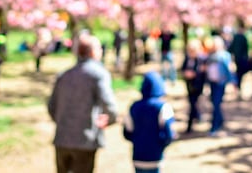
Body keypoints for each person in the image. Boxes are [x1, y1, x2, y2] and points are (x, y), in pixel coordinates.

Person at [48, 33, 119, 173]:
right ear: (93, 52)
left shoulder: (63, 75)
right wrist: (109, 120)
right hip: (85, 140)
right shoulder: (98, 74)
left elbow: (51, 106)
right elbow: (110, 107)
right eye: (99, 48)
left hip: (62, 138)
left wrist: (63, 122)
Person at [123, 71, 176, 173]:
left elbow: (127, 132)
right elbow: (168, 134)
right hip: (155, 155)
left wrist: (138, 141)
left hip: (137, 155)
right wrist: (161, 144)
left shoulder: (134, 107)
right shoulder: (163, 107)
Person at [205, 35, 233, 136]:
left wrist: (232, 82)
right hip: (212, 82)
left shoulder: (224, 55)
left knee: (216, 103)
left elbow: (229, 70)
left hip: (220, 83)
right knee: (214, 103)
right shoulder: (210, 55)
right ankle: (220, 121)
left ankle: (215, 125)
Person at [180, 38, 206, 133]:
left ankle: (189, 126)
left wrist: (194, 74)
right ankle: (197, 117)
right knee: (193, 104)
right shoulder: (187, 58)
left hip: (197, 86)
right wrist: (185, 74)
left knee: (193, 105)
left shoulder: (201, 59)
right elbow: (182, 69)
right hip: (189, 86)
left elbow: (203, 73)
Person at [229, 19, 251, 99]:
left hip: (238, 59)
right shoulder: (242, 37)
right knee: (239, 75)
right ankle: (238, 88)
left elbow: (231, 48)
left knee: (238, 74)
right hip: (241, 59)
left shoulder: (236, 37)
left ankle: (237, 88)